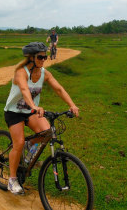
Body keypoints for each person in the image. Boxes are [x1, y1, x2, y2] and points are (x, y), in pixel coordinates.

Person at [4, 42, 80, 194]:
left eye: (45, 56)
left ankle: (28, 146)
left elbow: (59, 89)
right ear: (31, 58)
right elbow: (25, 90)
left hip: (31, 112)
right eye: (40, 57)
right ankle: (12, 180)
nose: (44, 59)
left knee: (47, 132)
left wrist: (72, 104)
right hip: (14, 112)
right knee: (18, 143)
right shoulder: (21, 72)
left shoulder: (45, 73)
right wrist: (34, 106)